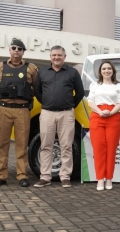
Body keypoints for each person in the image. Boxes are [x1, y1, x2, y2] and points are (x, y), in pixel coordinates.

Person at [33, 45, 85, 188]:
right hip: (47, 113)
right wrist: (47, 102)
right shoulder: (42, 72)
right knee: (45, 146)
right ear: (50, 57)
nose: (57, 57)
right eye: (54, 55)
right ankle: (45, 177)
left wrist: (69, 104)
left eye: (59, 55)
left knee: (66, 146)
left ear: (65, 57)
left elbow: (79, 92)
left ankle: (65, 176)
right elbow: (37, 91)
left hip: (66, 113)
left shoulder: (72, 72)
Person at [0, 39, 38, 188]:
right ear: (9, 50)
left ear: (23, 52)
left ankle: (22, 175)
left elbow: (36, 88)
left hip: (22, 110)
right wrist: (6, 96)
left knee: (22, 144)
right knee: (2, 144)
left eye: (20, 48)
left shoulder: (31, 68)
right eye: (14, 48)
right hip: (4, 109)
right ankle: (0, 176)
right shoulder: (0, 66)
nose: (16, 50)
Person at [87, 60, 120, 191]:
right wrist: (99, 111)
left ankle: (109, 178)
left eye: (109, 68)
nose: (106, 71)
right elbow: (90, 101)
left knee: (111, 150)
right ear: (100, 72)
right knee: (98, 149)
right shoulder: (94, 85)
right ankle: (99, 179)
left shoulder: (119, 87)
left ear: (113, 71)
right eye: (104, 69)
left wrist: (111, 112)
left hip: (113, 117)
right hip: (97, 117)